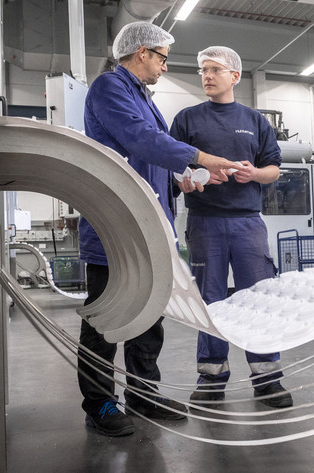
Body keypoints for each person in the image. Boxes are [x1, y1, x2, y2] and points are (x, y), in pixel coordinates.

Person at [77, 24, 242, 437]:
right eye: (163, 58)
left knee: (150, 320)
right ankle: (100, 404)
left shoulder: (143, 98)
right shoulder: (110, 87)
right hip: (114, 228)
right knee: (105, 321)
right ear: (143, 53)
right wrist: (202, 157)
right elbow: (142, 140)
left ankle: (142, 395)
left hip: (150, 230)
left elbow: (147, 161)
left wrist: (182, 178)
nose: (165, 67)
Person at [170, 46, 293, 408]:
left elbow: (274, 169)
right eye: (203, 70)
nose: (206, 76)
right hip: (204, 222)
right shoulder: (187, 120)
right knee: (209, 300)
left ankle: (267, 378)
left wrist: (254, 174)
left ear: (235, 76)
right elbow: (173, 166)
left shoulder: (255, 121)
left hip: (247, 223)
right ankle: (211, 377)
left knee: (258, 298)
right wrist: (184, 180)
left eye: (214, 70)